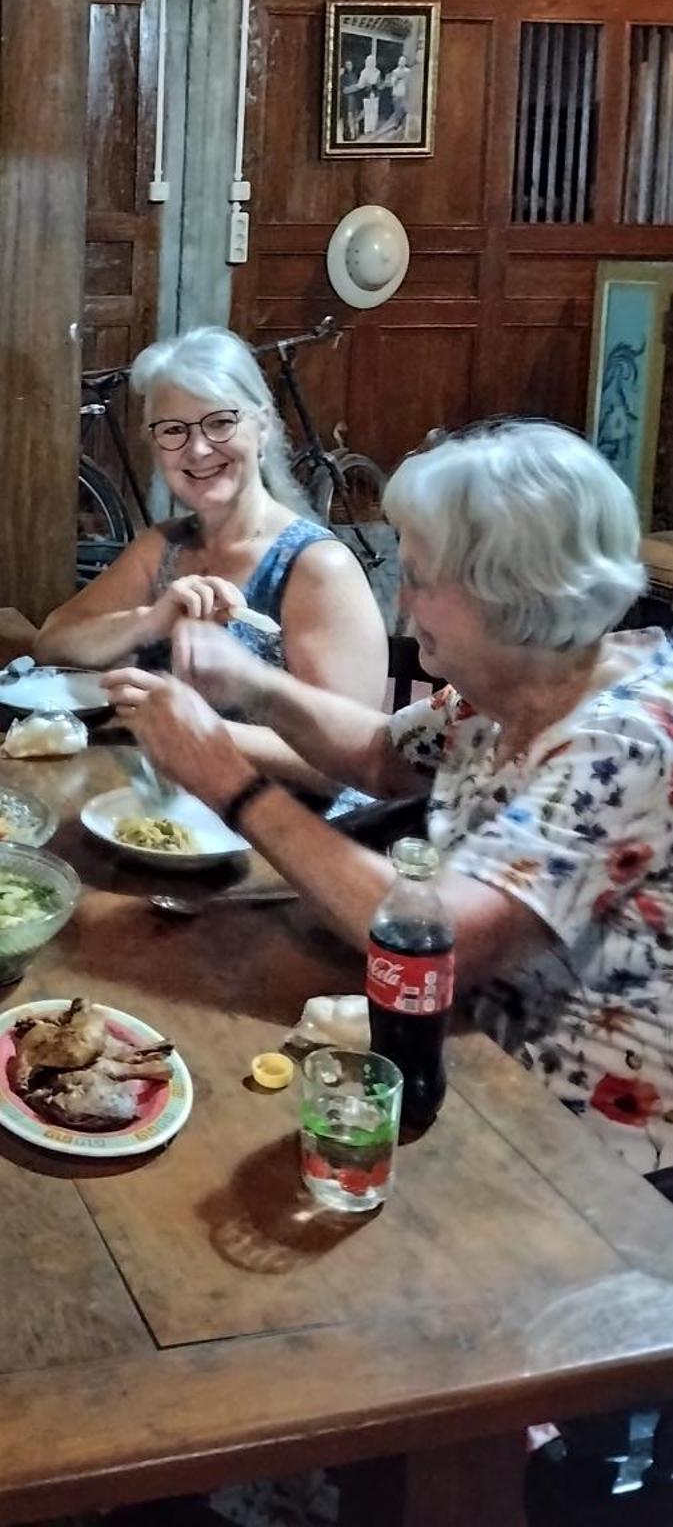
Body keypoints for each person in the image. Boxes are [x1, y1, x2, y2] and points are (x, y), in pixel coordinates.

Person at [104, 419, 673, 1177]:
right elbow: (382, 754)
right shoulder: (519, 683)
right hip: (459, 1056)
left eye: (420, 578)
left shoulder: (627, 741)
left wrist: (223, 778)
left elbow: (445, 944)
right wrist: (254, 688)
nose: (399, 601)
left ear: (510, 593)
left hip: (580, 1144)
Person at [37, 326, 387, 787]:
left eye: (220, 422)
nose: (197, 449)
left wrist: (184, 722)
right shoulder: (162, 548)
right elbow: (52, 642)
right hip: (167, 809)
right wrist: (147, 619)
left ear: (262, 427)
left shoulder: (318, 567)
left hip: (290, 837)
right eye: (174, 430)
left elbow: (351, 763)